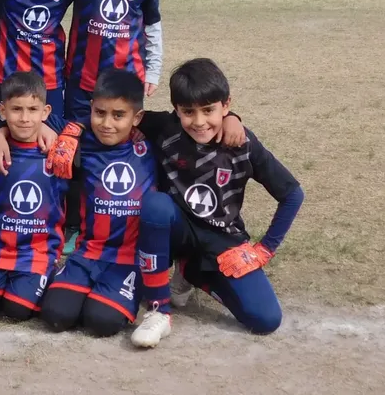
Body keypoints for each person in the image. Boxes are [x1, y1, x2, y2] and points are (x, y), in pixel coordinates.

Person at [133, 58, 304, 342]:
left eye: (209, 110)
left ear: (226, 105)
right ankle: (159, 311)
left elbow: (292, 194)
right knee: (156, 205)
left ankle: (192, 273)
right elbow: (121, 114)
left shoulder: (242, 142)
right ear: (176, 109)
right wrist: (69, 131)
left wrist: (263, 250)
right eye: (188, 112)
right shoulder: (165, 127)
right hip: (177, 230)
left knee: (265, 319)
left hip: (222, 240)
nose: (199, 121)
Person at [35, 70, 163, 338]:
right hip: (88, 252)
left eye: (118, 116)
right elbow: (31, 117)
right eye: (100, 113)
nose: (107, 123)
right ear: (91, 108)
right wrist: (75, 127)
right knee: (56, 315)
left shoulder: (153, 143)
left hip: (128, 259)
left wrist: (232, 119)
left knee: (101, 322)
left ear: (136, 118)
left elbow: (186, 123)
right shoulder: (82, 140)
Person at [0, 72, 67, 322]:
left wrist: (47, 127)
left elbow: (84, 125)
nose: (24, 118)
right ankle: (4, 279)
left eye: (33, 110)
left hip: (38, 250)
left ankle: (50, 273)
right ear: (2, 109)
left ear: (46, 111)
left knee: (17, 311)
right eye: (16, 109)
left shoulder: (59, 148)